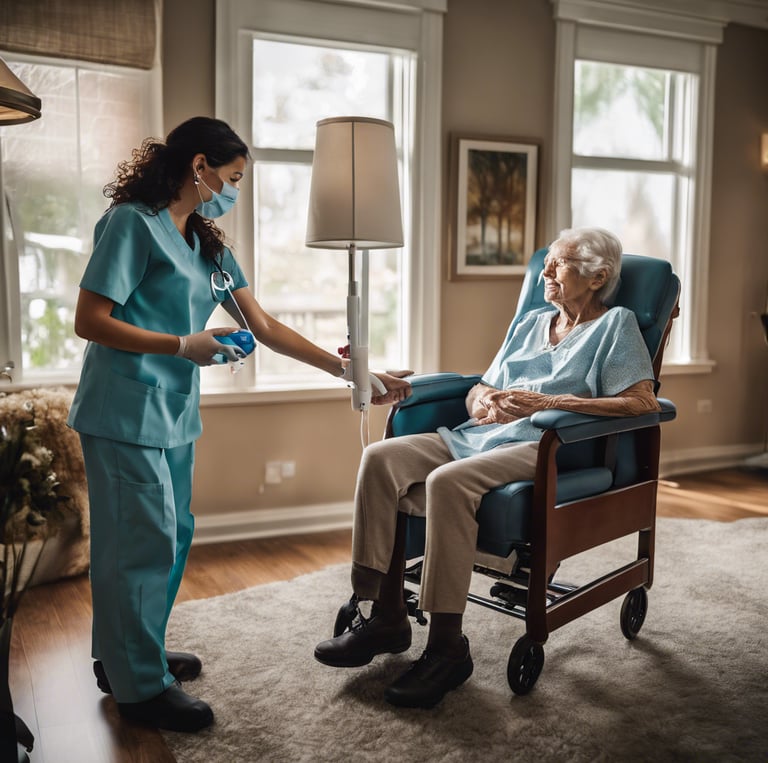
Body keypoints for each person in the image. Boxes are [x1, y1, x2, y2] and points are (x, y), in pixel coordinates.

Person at [67, 116, 411, 733]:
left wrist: (351, 371)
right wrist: (182, 345)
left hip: (173, 412)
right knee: (136, 544)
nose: (234, 190)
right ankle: (139, 687)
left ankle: (127, 655)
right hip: (122, 410)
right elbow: (90, 320)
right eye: (231, 177)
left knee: (170, 539)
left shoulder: (208, 244)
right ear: (198, 167)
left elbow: (267, 327)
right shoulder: (131, 225)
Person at [314, 227, 662, 709]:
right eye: (548, 264)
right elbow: (481, 385)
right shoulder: (531, 323)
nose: (544, 272)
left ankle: (447, 649)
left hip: (547, 445)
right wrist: (485, 400)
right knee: (380, 460)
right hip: (478, 435)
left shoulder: (615, 325)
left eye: (557, 265)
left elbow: (642, 402)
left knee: (447, 482)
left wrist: (548, 402)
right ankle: (385, 615)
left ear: (598, 276)